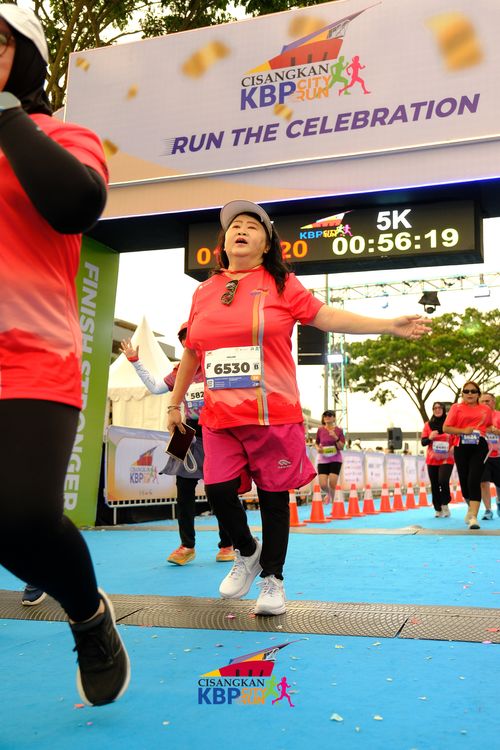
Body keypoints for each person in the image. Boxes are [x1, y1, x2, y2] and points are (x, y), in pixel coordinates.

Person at [166, 199, 431, 616]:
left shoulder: (283, 284)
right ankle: (247, 551)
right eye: (235, 225)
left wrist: (386, 325)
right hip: (219, 416)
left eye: (252, 226)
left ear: (267, 243)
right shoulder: (204, 291)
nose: (241, 230)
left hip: (273, 413)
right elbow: (192, 352)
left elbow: (326, 317)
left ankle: (272, 580)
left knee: (274, 499)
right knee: (217, 489)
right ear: (224, 241)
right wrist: (174, 403)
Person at [0, 6, 129, 705]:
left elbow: (77, 203)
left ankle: (87, 616)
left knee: (20, 515)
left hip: (30, 355)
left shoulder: (59, 134)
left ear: (22, 54)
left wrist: (5, 115)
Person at [120, 325, 235, 564]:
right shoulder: (180, 370)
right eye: (183, 338)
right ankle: (187, 546)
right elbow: (155, 387)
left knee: (219, 491)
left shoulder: (217, 364)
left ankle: (227, 544)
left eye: (189, 336)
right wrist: (135, 361)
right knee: (183, 490)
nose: (186, 342)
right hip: (186, 432)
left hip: (216, 432)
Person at [443, 382, 498, 530]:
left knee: (475, 479)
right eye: (466, 391)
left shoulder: (485, 409)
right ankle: (470, 507)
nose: (470, 394)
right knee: (464, 480)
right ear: (462, 394)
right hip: (461, 446)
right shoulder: (456, 408)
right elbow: (446, 428)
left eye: (473, 391)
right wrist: (463, 431)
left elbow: (487, 425)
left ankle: (473, 517)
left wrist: (492, 429)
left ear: (478, 394)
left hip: (479, 446)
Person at [421, 402, 455, 518]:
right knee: (434, 484)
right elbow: (423, 442)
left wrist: (453, 447)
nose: (437, 410)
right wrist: (430, 437)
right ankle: (438, 508)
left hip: (447, 458)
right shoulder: (428, 425)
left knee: (443, 480)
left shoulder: (450, 424)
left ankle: (445, 503)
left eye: (440, 408)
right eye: (435, 408)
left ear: (444, 410)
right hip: (432, 459)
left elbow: (456, 438)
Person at [315, 410, 345, 503]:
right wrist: (318, 449)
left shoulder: (339, 430)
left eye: (329, 415)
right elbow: (316, 443)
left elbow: (341, 447)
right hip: (323, 459)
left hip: (335, 459)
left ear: (334, 418)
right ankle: (329, 494)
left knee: (332, 482)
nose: (327, 417)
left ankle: (333, 502)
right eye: (325, 415)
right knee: (323, 485)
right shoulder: (320, 430)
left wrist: (335, 437)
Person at [478, 392, 500, 520]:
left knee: (499, 484)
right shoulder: (477, 417)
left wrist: (497, 431)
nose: (485, 403)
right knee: (483, 482)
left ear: (494, 402)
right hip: (483, 455)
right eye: (483, 401)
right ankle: (488, 510)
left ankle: (499, 502)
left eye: (488, 401)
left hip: (498, 456)